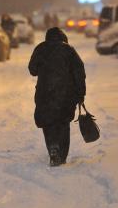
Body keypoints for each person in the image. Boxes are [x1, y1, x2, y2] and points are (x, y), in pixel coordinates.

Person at [28, 27, 86, 167]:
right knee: (63, 123)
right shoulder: (69, 50)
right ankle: (62, 155)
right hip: (66, 94)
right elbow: (79, 72)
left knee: (48, 123)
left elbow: (32, 69)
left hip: (45, 93)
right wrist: (80, 94)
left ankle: (53, 149)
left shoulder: (40, 49)